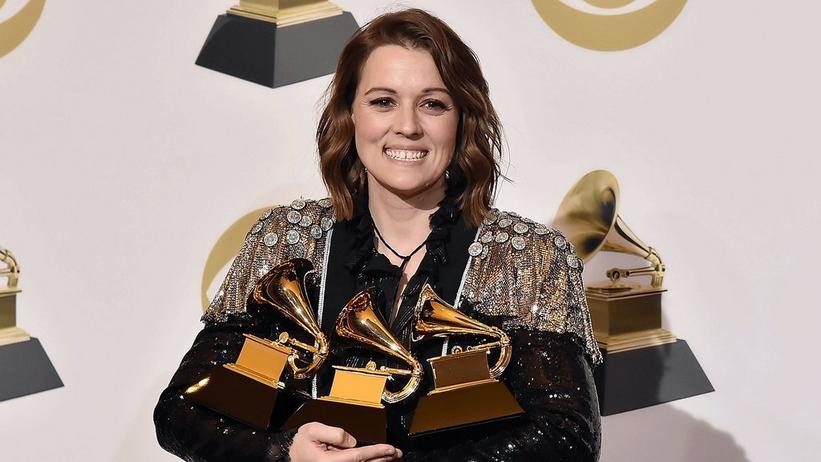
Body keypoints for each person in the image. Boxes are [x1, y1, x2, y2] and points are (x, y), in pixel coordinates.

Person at [154, 8, 602, 462]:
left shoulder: (528, 255)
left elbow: (567, 437)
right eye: (383, 101)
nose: (407, 125)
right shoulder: (286, 239)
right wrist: (283, 455)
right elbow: (181, 412)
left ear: (462, 118)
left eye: (433, 103)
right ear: (350, 114)